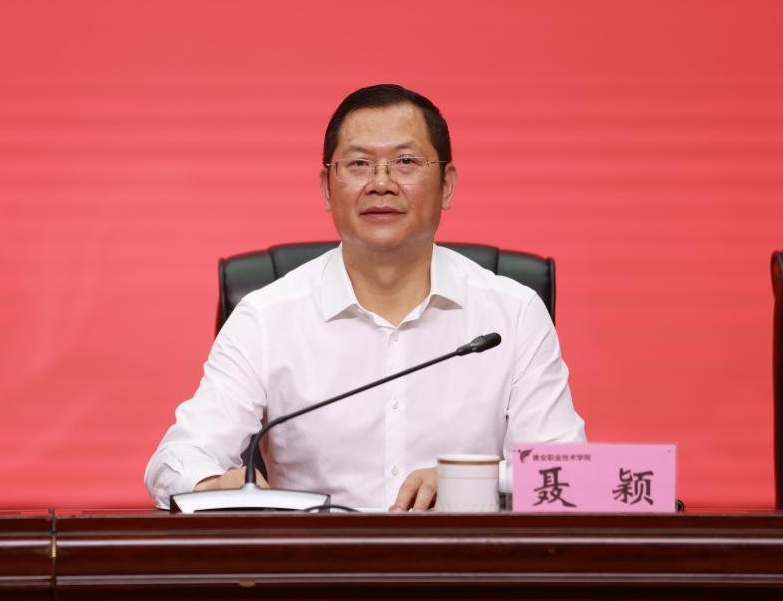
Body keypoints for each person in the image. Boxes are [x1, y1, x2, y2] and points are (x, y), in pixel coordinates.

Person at [145, 84, 585, 511]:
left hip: (461, 559)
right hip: (316, 560)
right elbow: (176, 461)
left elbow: (571, 475)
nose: (381, 183)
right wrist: (214, 485)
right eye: (358, 164)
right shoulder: (266, 319)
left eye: (406, 162)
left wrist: (470, 481)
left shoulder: (513, 314)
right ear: (326, 187)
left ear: (447, 184)